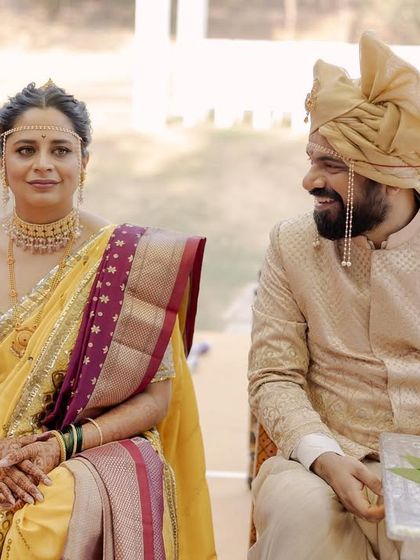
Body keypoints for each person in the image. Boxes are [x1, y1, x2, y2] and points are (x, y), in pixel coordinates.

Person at [0, 80, 216, 559]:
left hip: (77, 451)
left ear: (84, 163)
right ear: (2, 162)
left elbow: (157, 400)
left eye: (60, 149)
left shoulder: (132, 260)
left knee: (50, 509)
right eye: (25, 149)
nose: (43, 164)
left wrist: (60, 446)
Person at [248, 32, 420, 560]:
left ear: (389, 177)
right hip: (320, 459)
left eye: (331, 165)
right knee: (305, 523)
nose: (308, 180)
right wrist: (322, 455)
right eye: (310, 158)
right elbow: (273, 375)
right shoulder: (291, 243)